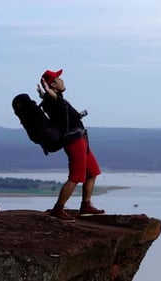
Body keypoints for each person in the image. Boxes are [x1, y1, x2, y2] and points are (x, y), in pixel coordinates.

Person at [36, 69, 105, 222]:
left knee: (92, 171)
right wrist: (47, 93)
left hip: (81, 139)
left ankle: (86, 206)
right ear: (53, 84)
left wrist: (46, 94)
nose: (62, 81)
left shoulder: (54, 99)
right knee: (76, 177)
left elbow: (54, 100)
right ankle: (58, 209)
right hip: (74, 141)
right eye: (59, 79)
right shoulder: (54, 98)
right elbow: (53, 97)